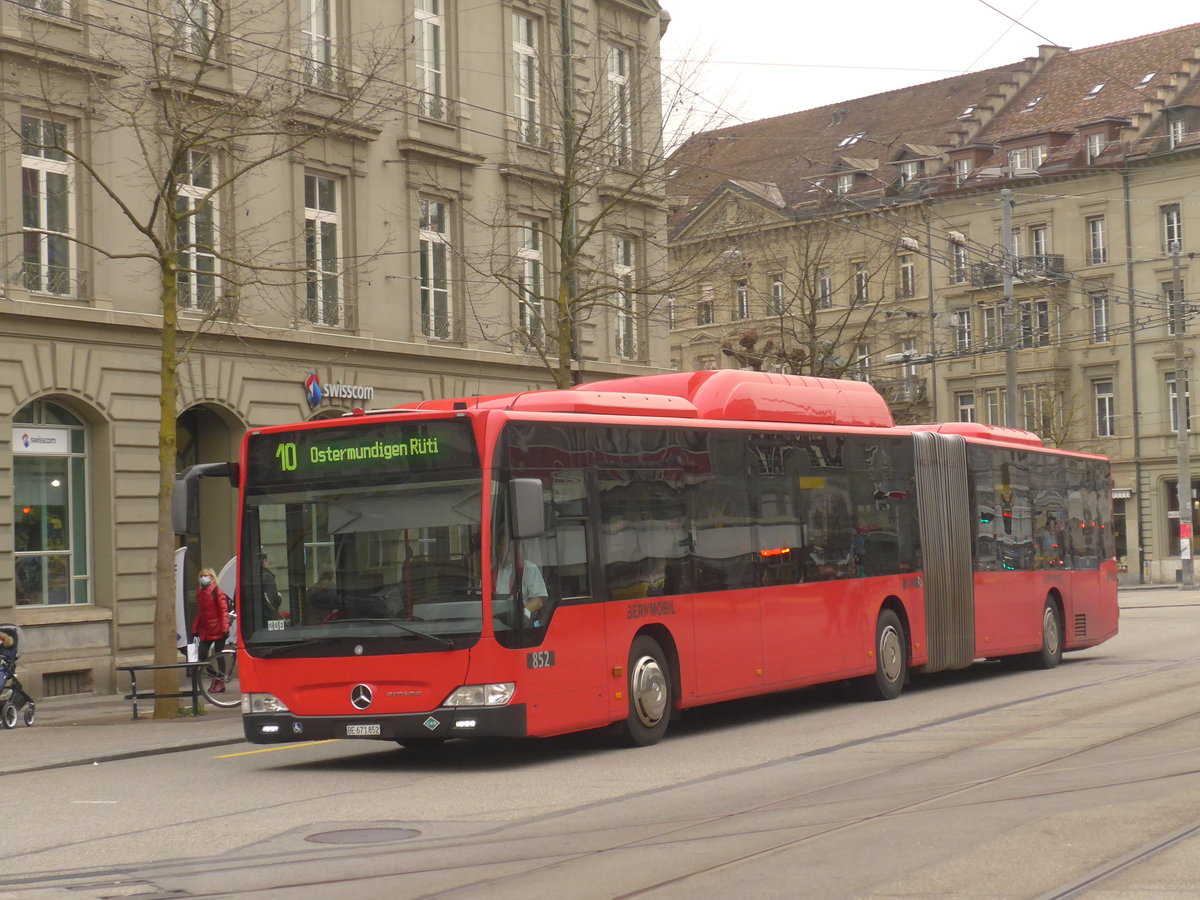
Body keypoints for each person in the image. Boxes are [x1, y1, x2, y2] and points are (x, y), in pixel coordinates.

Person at [192, 567, 230, 692]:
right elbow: (200, 613)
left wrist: (225, 628)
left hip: (218, 628)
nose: (204, 577)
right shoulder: (200, 593)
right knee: (202, 656)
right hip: (206, 630)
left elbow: (223, 611)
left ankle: (221, 681)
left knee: (218, 655)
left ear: (213, 577)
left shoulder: (217, 592)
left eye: (207, 575)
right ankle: (215, 677)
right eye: (202, 575)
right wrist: (194, 628)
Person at [494, 539, 549, 626]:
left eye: (511, 545)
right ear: (497, 547)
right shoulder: (494, 570)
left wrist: (522, 614)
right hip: (496, 619)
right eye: (504, 545)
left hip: (520, 623)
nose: (508, 549)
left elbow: (539, 601)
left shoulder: (529, 568)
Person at [260, 554, 282, 620]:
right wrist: (279, 597)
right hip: (270, 616)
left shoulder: (258, 575)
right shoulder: (268, 576)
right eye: (267, 561)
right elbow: (273, 600)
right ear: (264, 562)